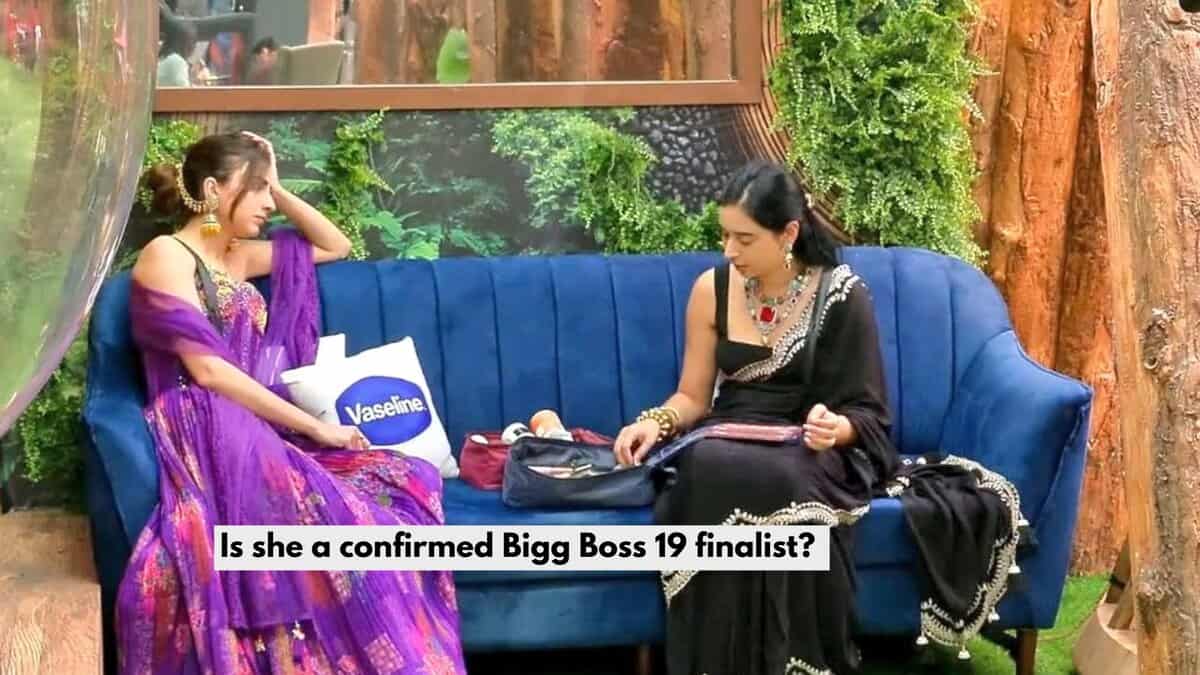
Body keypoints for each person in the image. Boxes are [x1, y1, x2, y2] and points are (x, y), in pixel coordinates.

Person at [614, 161, 1021, 674]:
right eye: (725, 236)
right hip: (727, 437)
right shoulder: (709, 290)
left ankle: (795, 661)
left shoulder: (841, 294)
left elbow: (867, 413)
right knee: (707, 463)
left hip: (810, 447)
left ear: (788, 233)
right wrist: (656, 422)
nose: (729, 251)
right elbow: (692, 397)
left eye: (744, 238)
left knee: (781, 476)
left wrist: (837, 428)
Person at [117, 131, 466, 674]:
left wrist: (278, 186)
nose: (266, 204)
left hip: (251, 421)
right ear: (212, 190)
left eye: (267, 191)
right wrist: (317, 428)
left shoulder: (237, 257)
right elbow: (207, 371)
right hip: (201, 416)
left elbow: (335, 245)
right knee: (333, 523)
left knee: (407, 479)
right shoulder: (168, 255)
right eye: (255, 189)